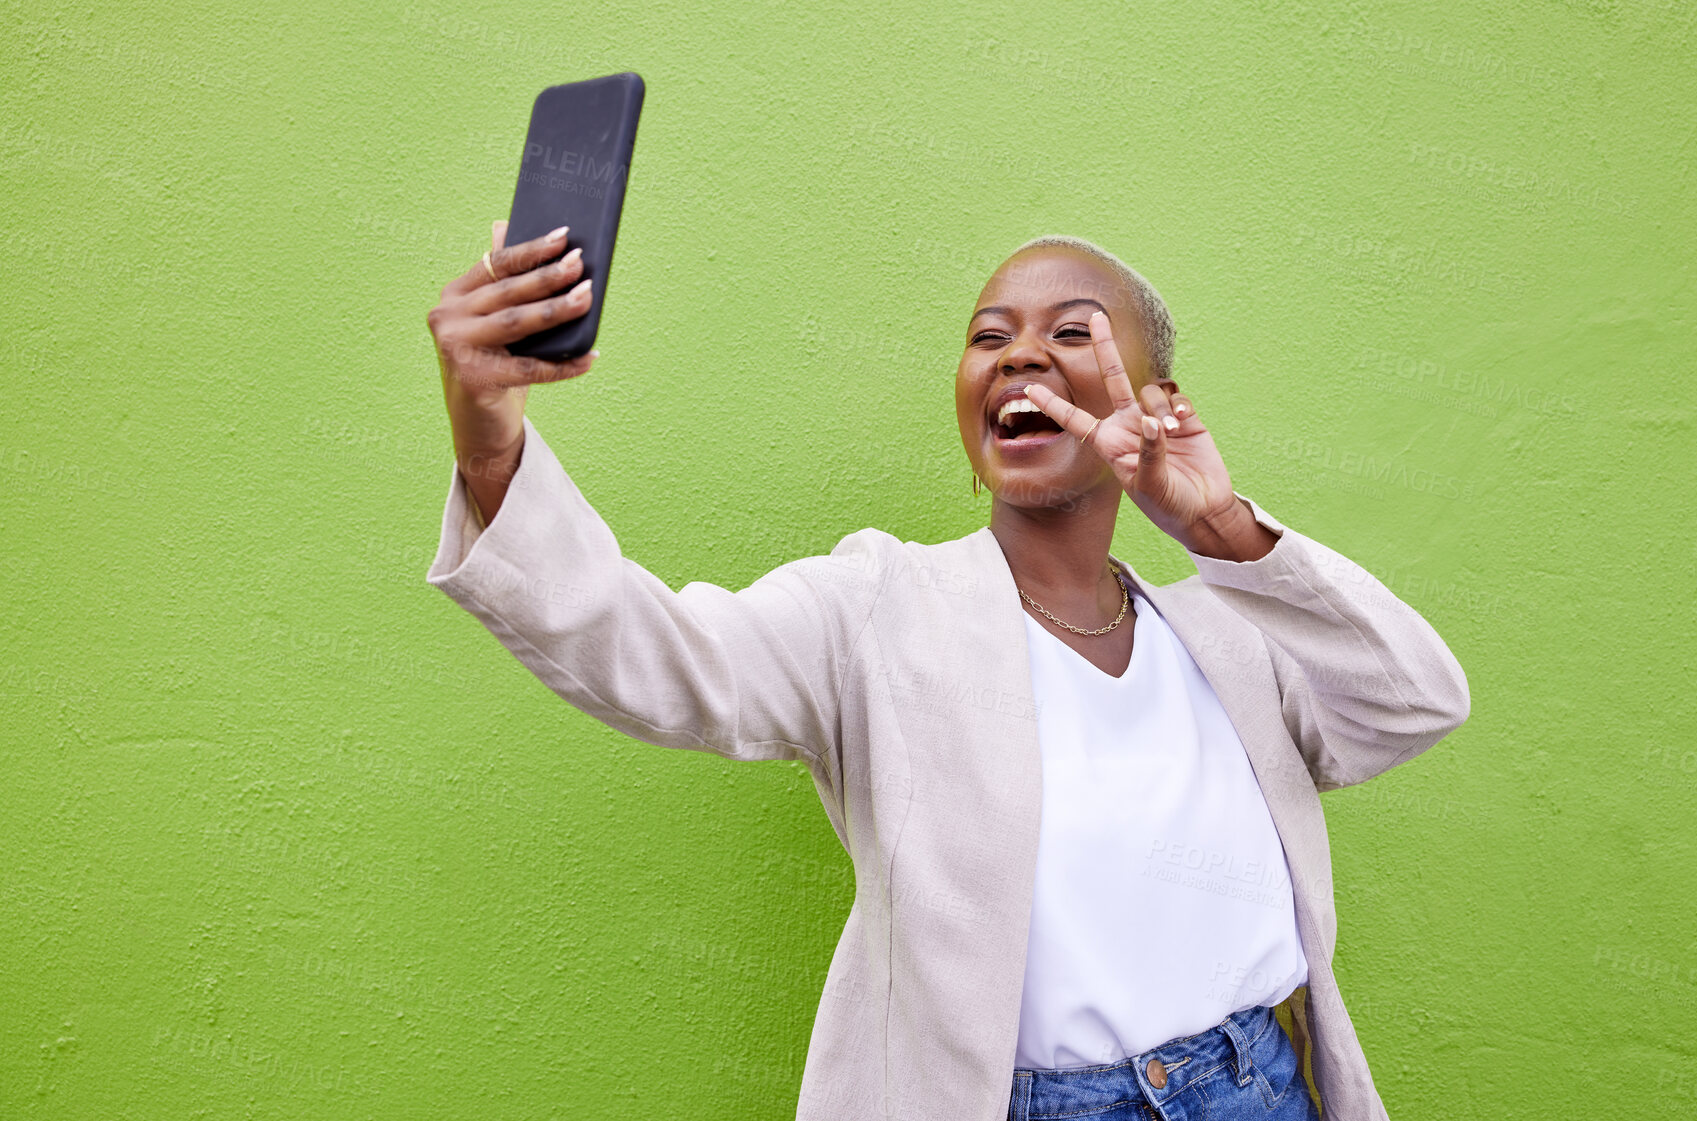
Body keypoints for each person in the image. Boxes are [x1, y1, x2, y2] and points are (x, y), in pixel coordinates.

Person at [423, 221, 1471, 1121]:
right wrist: (491, 449)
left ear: (1151, 398)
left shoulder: (1232, 632)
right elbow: (657, 660)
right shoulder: (877, 607)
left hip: (1255, 1087)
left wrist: (1216, 524)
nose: (1019, 355)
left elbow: (1414, 698)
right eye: (988, 337)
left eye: (1070, 331)